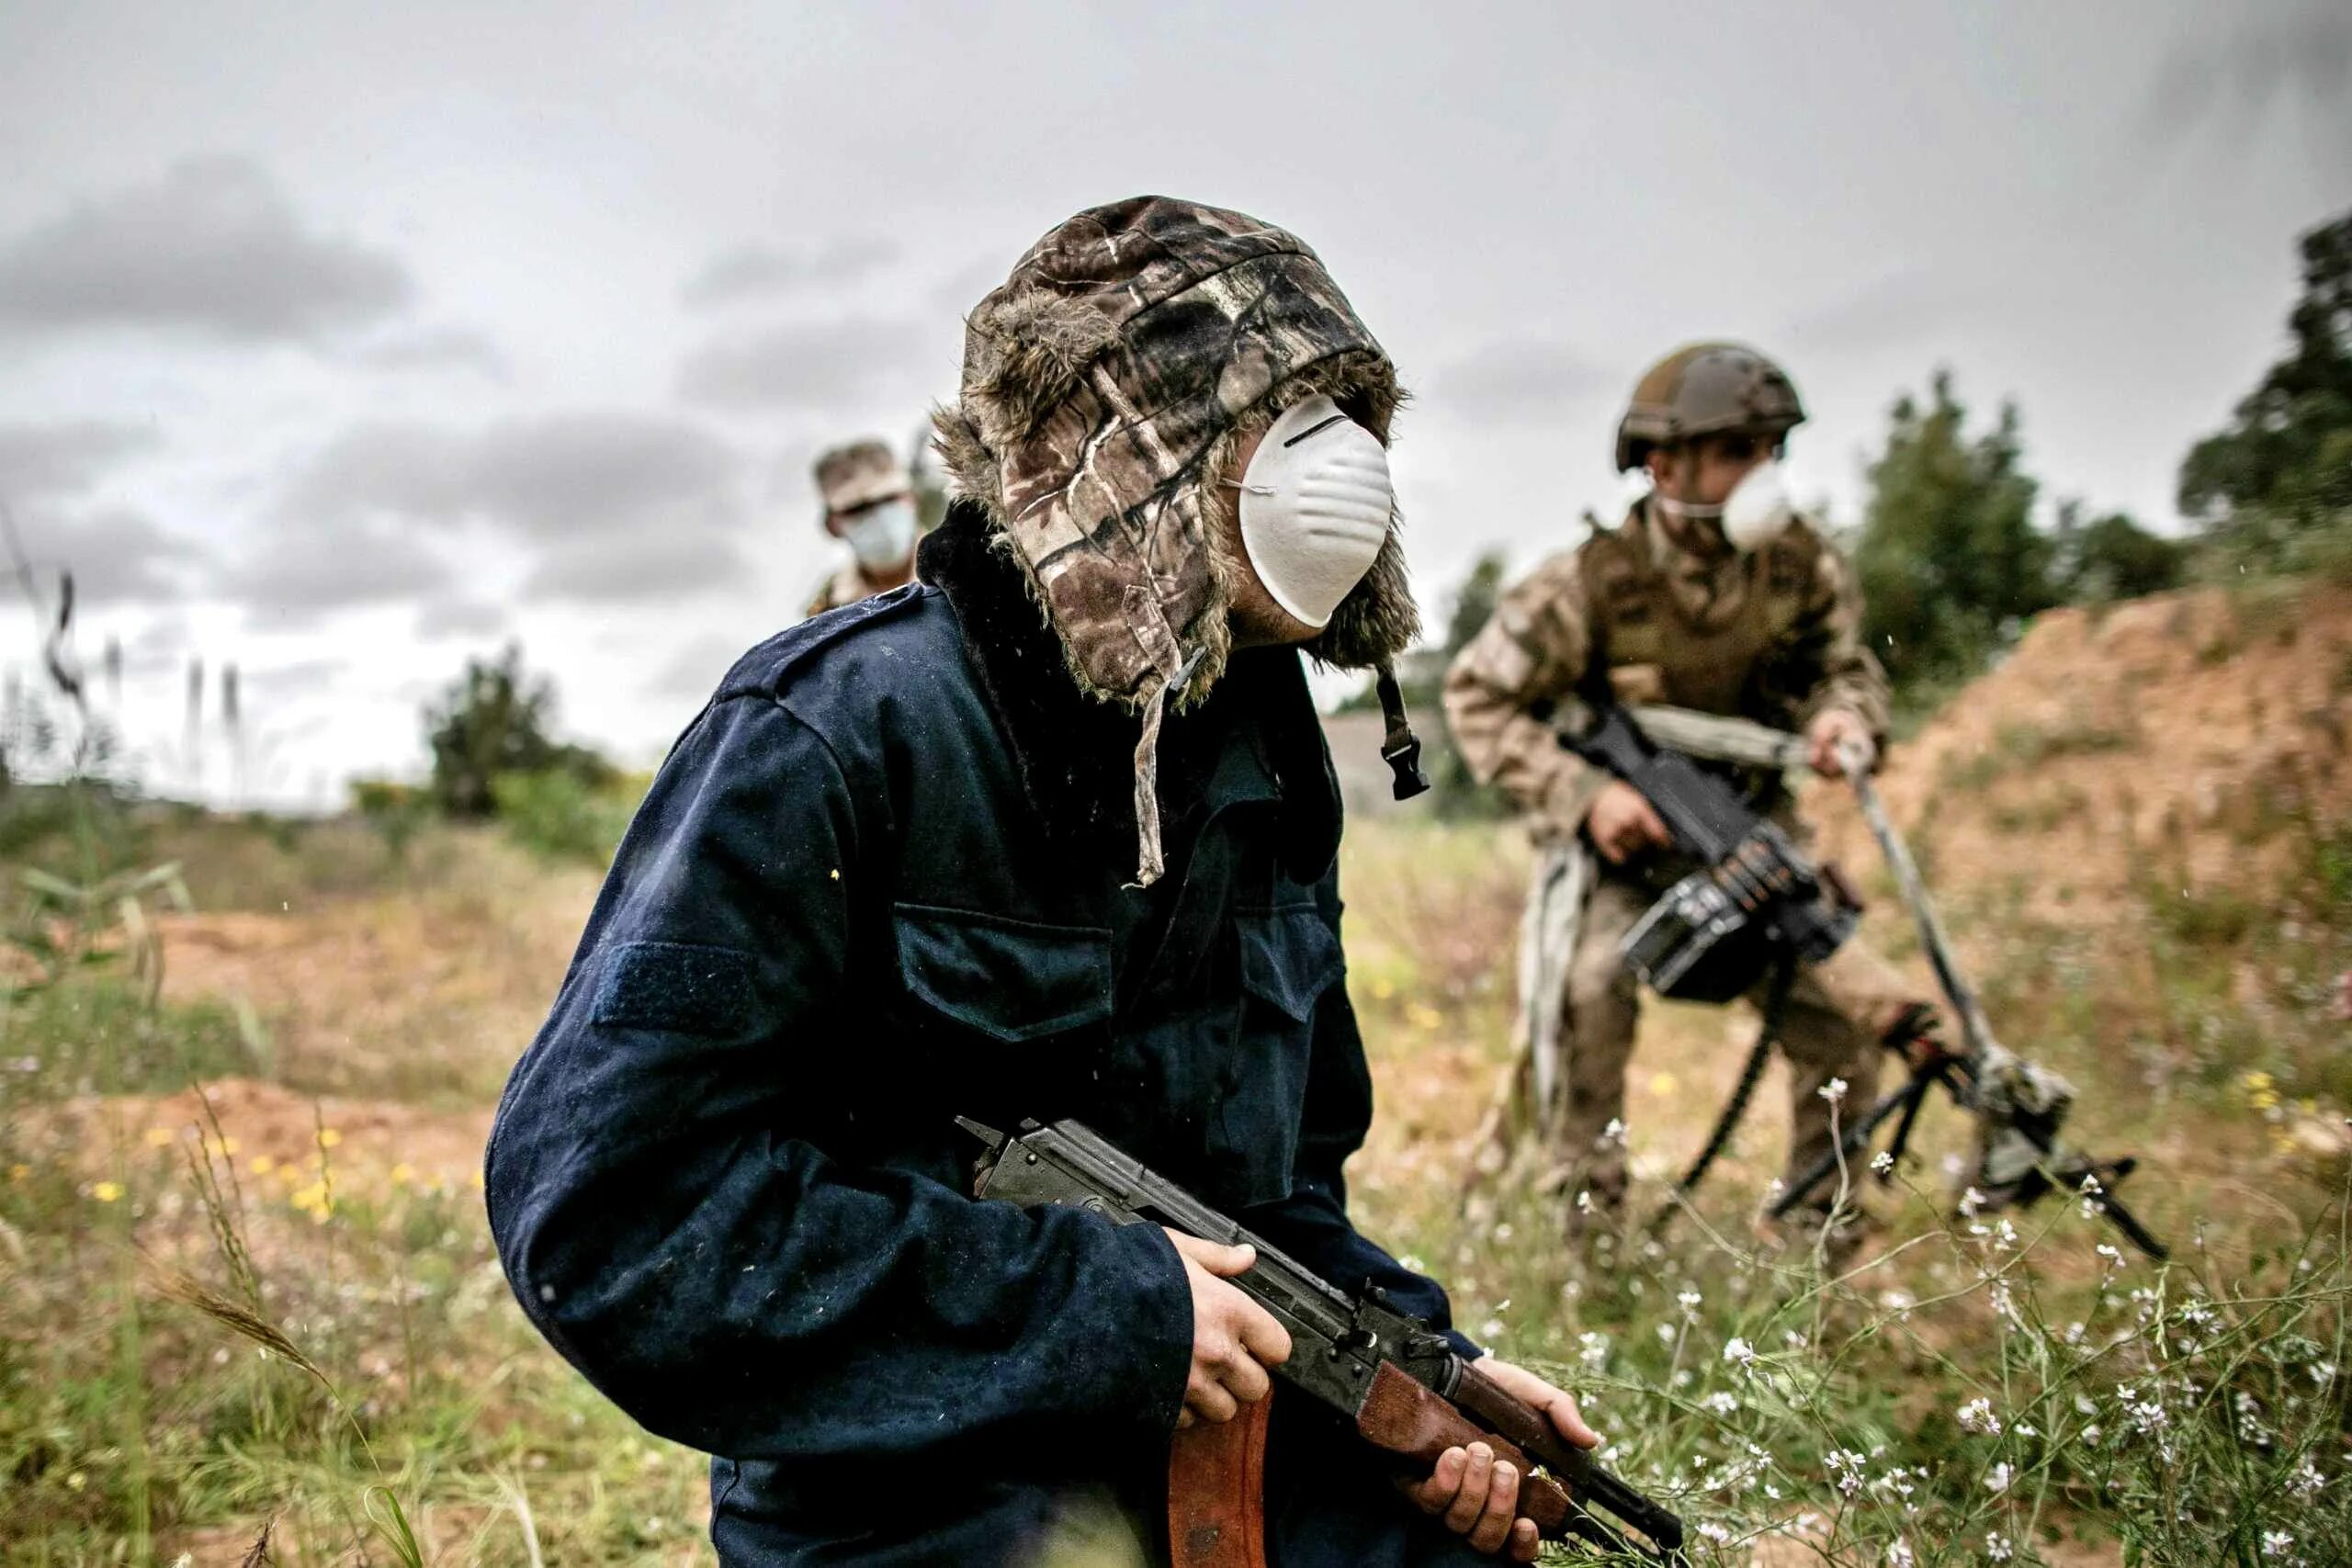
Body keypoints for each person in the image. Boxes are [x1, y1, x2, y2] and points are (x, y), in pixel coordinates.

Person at [488, 197, 1598, 1567]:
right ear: (1110, 445)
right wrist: (1101, 1310)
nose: (1343, 469)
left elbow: (1279, 1183)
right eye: (1274, 415)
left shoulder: (1261, 735)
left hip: (1222, 1418)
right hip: (918, 1469)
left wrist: (1420, 1365)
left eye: (1346, 416)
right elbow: (614, 1221)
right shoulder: (835, 733)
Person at [1444, 343, 1937, 1243]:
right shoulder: (1586, 584)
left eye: (1771, 450)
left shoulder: (1800, 567)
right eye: (1737, 451)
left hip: (1752, 835)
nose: (1763, 473)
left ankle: (1815, 1250)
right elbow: (1476, 695)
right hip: (1623, 849)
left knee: (1838, 1020)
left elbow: (1844, 672)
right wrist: (1583, 794)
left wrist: (1842, 721)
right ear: (1663, 463)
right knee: (1589, 992)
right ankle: (1592, 1248)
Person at [803, 436, 920, 617]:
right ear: (832, 526)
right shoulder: (827, 610)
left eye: (889, 499)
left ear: (911, 499)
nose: (879, 517)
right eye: (857, 509)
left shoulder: (965, 570)